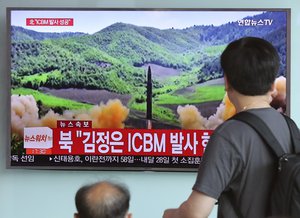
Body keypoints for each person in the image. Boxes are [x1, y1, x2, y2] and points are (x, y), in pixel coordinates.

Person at [163, 37, 292, 218]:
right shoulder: (291, 127)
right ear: (272, 85)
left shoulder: (228, 135)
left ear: (227, 82)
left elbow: (194, 214)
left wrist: (169, 214)